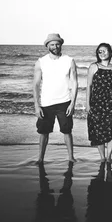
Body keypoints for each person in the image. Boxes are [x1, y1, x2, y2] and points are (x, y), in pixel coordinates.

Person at [33, 33, 78, 164]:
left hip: (65, 102)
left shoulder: (69, 60)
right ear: (48, 46)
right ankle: (40, 158)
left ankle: (71, 157)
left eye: (57, 44)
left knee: (67, 131)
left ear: (61, 45)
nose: (55, 46)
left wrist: (72, 104)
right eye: (52, 44)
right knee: (43, 132)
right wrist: (37, 105)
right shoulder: (41, 62)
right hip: (46, 103)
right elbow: (35, 84)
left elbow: (74, 82)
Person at [86, 43, 112, 163]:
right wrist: (87, 104)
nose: (102, 53)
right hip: (97, 103)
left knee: (111, 130)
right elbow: (89, 86)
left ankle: (109, 156)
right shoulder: (93, 67)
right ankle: (102, 157)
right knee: (98, 131)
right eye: (99, 51)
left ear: (110, 52)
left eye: (104, 51)